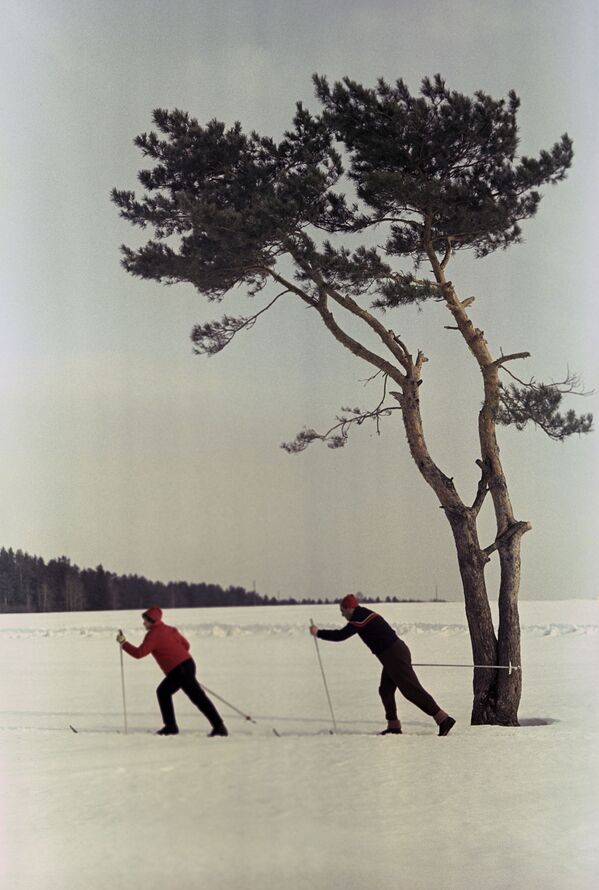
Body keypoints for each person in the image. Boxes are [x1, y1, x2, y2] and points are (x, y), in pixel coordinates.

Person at [310, 594, 455, 736]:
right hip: (392, 655)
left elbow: (340, 636)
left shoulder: (359, 617)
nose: (342, 615)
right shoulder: (361, 614)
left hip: (394, 655)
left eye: (342, 611)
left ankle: (443, 719)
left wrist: (318, 633)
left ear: (349, 608)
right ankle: (393, 726)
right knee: (385, 690)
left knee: (411, 690)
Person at [116, 606, 228, 737]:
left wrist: (124, 643)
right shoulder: (170, 629)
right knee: (195, 696)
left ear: (152, 620)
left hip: (179, 670)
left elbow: (139, 653)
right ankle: (217, 726)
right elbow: (186, 645)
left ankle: (172, 727)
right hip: (188, 664)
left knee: (166, 692)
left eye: (145, 620)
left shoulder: (153, 635)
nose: (144, 623)